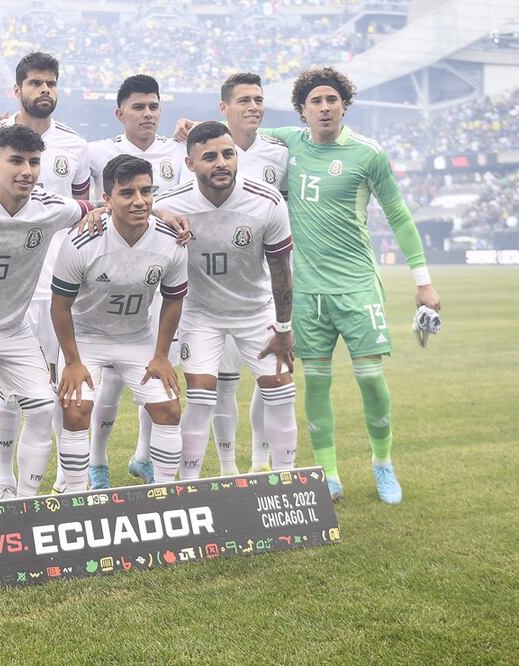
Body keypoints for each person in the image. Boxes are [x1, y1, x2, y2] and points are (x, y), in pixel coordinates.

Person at [178, 67, 441, 503]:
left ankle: (382, 463)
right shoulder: (289, 144)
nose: (324, 107)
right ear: (302, 110)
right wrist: (191, 126)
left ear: (344, 104)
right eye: (315, 101)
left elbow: (398, 215)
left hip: (356, 283)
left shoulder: (368, 153)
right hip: (304, 290)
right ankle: (329, 472)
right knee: (314, 384)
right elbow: (240, 129)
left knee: (371, 380)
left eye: (331, 100)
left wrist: (423, 281)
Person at [0, 52, 93, 497]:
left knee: (37, 390)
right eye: (35, 83)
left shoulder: (75, 146)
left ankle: (66, 481)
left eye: (50, 83)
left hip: (50, 286)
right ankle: (6, 480)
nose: (43, 90)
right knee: (8, 392)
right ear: (18, 90)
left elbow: (84, 213)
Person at [154, 121, 297, 480]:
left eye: (228, 154)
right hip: (201, 314)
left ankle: (286, 480)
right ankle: (188, 486)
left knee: (280, 391)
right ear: (190, 165)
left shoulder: (267, 201)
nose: (221, 163)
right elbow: (130, 211)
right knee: (201, 395)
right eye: (210, 157)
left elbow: (280, 269)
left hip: (255, 311)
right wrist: (158, 213)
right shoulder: (172, 204)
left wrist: (283, 328)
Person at [51, 155, 188, 490]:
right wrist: (72, 361)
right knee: (76, 410)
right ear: (108, 199)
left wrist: (160, 356)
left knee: (169, 409)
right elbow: (60, 306)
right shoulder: (82, 240)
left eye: (146, 191)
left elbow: (173, 300)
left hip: (137, 338)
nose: (139, 201)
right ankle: (75, 493)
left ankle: (166, 493)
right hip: (85, 339)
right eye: (127, 193)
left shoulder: (172, 240)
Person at [81, 74, 188, 490]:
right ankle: (96, 462)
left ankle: (144, 456)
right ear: (120, 112)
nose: (148, 114)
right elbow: (81, 196)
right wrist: (91, 210)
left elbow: (177, 195)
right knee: (108, 377)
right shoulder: (95, 152)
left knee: (155, 370)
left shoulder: (178, 151)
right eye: (139, 107)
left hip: (156, 269)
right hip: (107, 272)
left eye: (154, 106)